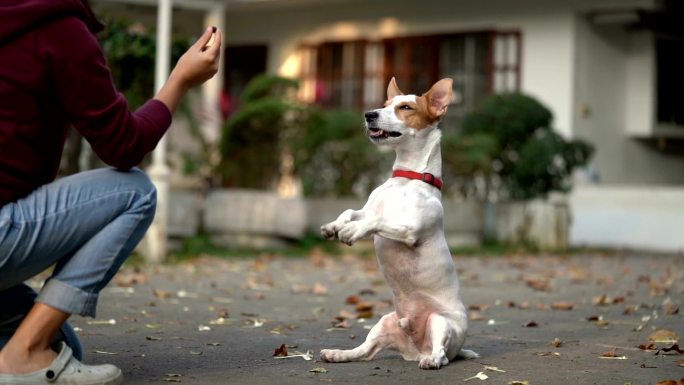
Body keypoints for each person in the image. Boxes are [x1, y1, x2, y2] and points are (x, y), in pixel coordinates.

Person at [0, 0, 222, 383]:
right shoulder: (57, 28)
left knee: (64, 348)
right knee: (134, 190)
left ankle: (27, 349)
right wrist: (180, 81)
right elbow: (123, 146)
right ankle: (23, 353)